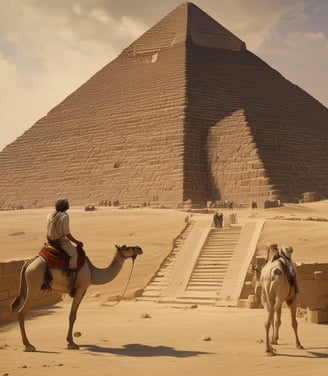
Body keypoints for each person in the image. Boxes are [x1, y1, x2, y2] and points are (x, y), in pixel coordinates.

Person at [46, 197, 83, 271]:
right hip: (60, 242)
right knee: (74, 254)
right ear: (64, 206)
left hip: (50, 241)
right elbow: (67, 234)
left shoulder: (50, 215)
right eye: (67, 203)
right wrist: (77, 242)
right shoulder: (64, 217)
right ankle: (71, 273)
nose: (68, 204)